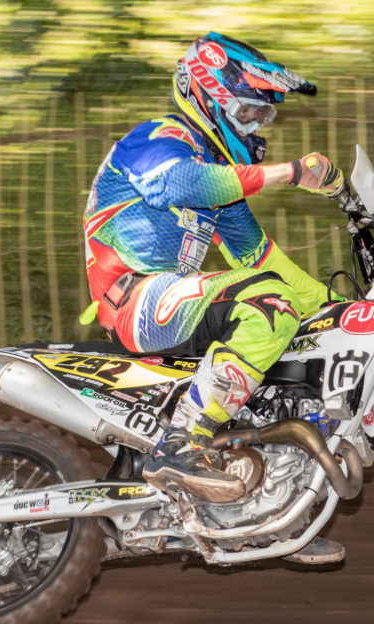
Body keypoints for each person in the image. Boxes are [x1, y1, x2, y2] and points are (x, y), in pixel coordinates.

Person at [82, 32, 343, 525]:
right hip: (134, 298)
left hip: (169, 302)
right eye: (248, 112)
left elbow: (261, 259)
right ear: (210, 98)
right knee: (270, 306)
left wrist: (338, 306)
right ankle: (181, 444)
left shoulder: (219, 176)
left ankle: (261, 514)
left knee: (285, 339)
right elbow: (179, 182)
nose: (256, 127)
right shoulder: (159, 138)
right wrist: (287, 173)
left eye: (264, 116)